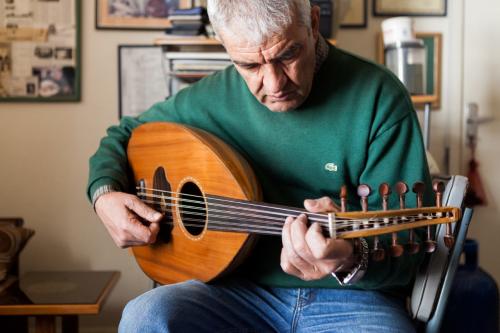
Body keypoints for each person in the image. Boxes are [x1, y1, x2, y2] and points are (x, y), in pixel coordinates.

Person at [87, 0, 433, 331]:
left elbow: (407, 246)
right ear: (226, 47)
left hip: (353, 298)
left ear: (313, 25)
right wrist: (105, 194)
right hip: (235, 291)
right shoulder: (211, 99)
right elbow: (124, 135)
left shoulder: (379, 98)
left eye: (288, 54)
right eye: (250, 66)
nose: (274, 83)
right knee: (145, 316)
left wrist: (350, 257)